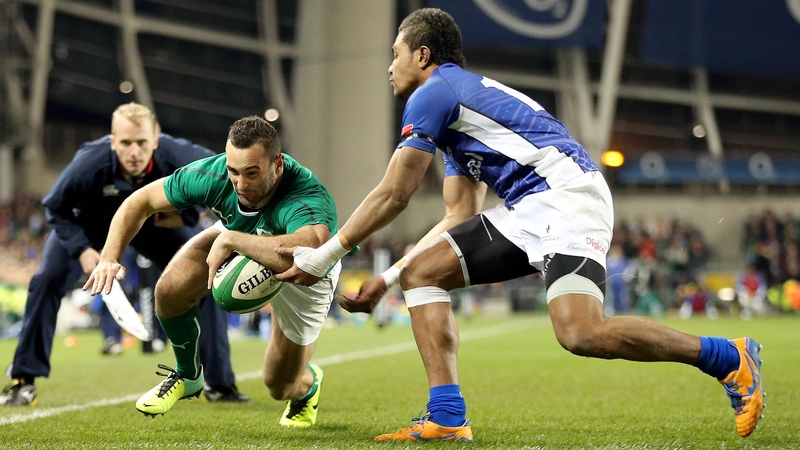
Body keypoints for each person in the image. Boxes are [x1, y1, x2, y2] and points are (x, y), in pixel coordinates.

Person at [276, 8, 765, 441]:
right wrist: (387, 278)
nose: (389, 65)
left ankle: (727, 357)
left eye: (395, 53)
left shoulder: (434, 92)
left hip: (567, 198)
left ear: (422, 56)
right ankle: (447, 416)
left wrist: (323, 257)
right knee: (424, 272)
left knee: (581, 334)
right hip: (527, 209)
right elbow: (459, 215)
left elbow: (394, 194)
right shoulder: (457, 110)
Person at [84, 116, 340, 427]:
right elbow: (140, 201)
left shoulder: (305, 196)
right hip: (241, 235)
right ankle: (189, 374)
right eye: (234, 171)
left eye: (251, 173)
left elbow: (309, 250)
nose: (241, 184)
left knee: (279, 386)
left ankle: (307, 386)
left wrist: (232, 239)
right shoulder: (213, 174)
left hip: (305, 272)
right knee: (169, 290)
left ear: (278, 165)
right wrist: (110, 256)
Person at [0, 103, 249, 406]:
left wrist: (186, 216)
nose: (134, 151)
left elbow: (222, 183)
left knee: (209, 275)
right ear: (112, 141)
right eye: (126, 143)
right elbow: (56, 207)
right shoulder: (90, 161)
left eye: (142, 143)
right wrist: (83, 251)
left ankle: (219, 383)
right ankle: (23, 380)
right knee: (46, 280)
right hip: (88, 228)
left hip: (153, 226)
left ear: (155, 141)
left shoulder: (180, 155)